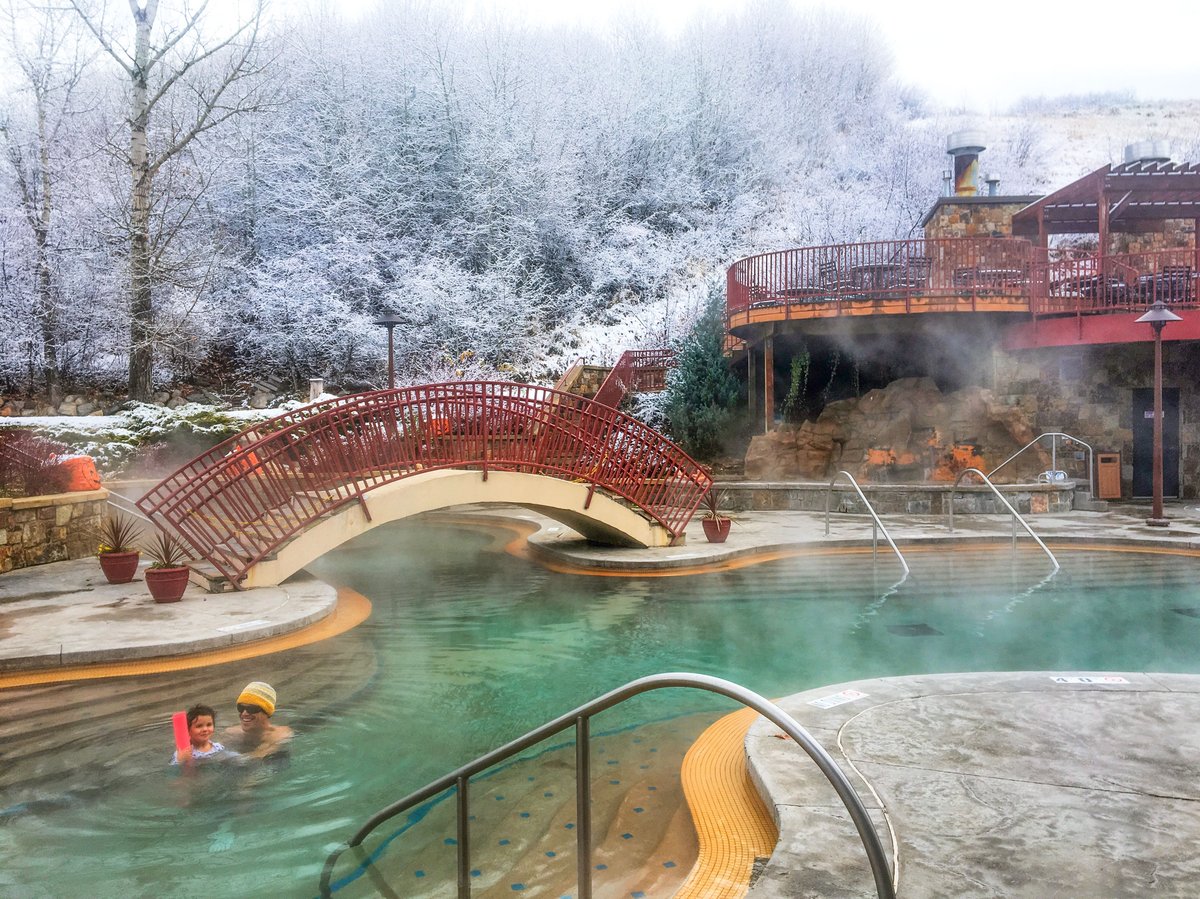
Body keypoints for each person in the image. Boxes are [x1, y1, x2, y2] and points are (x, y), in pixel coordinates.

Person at [222, 682, 293, 760]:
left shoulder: (279, 735)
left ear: (266, 712)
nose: (244, 713)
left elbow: (257, 756)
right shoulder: (231, 733)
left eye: (252, 709)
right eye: (241, 708)